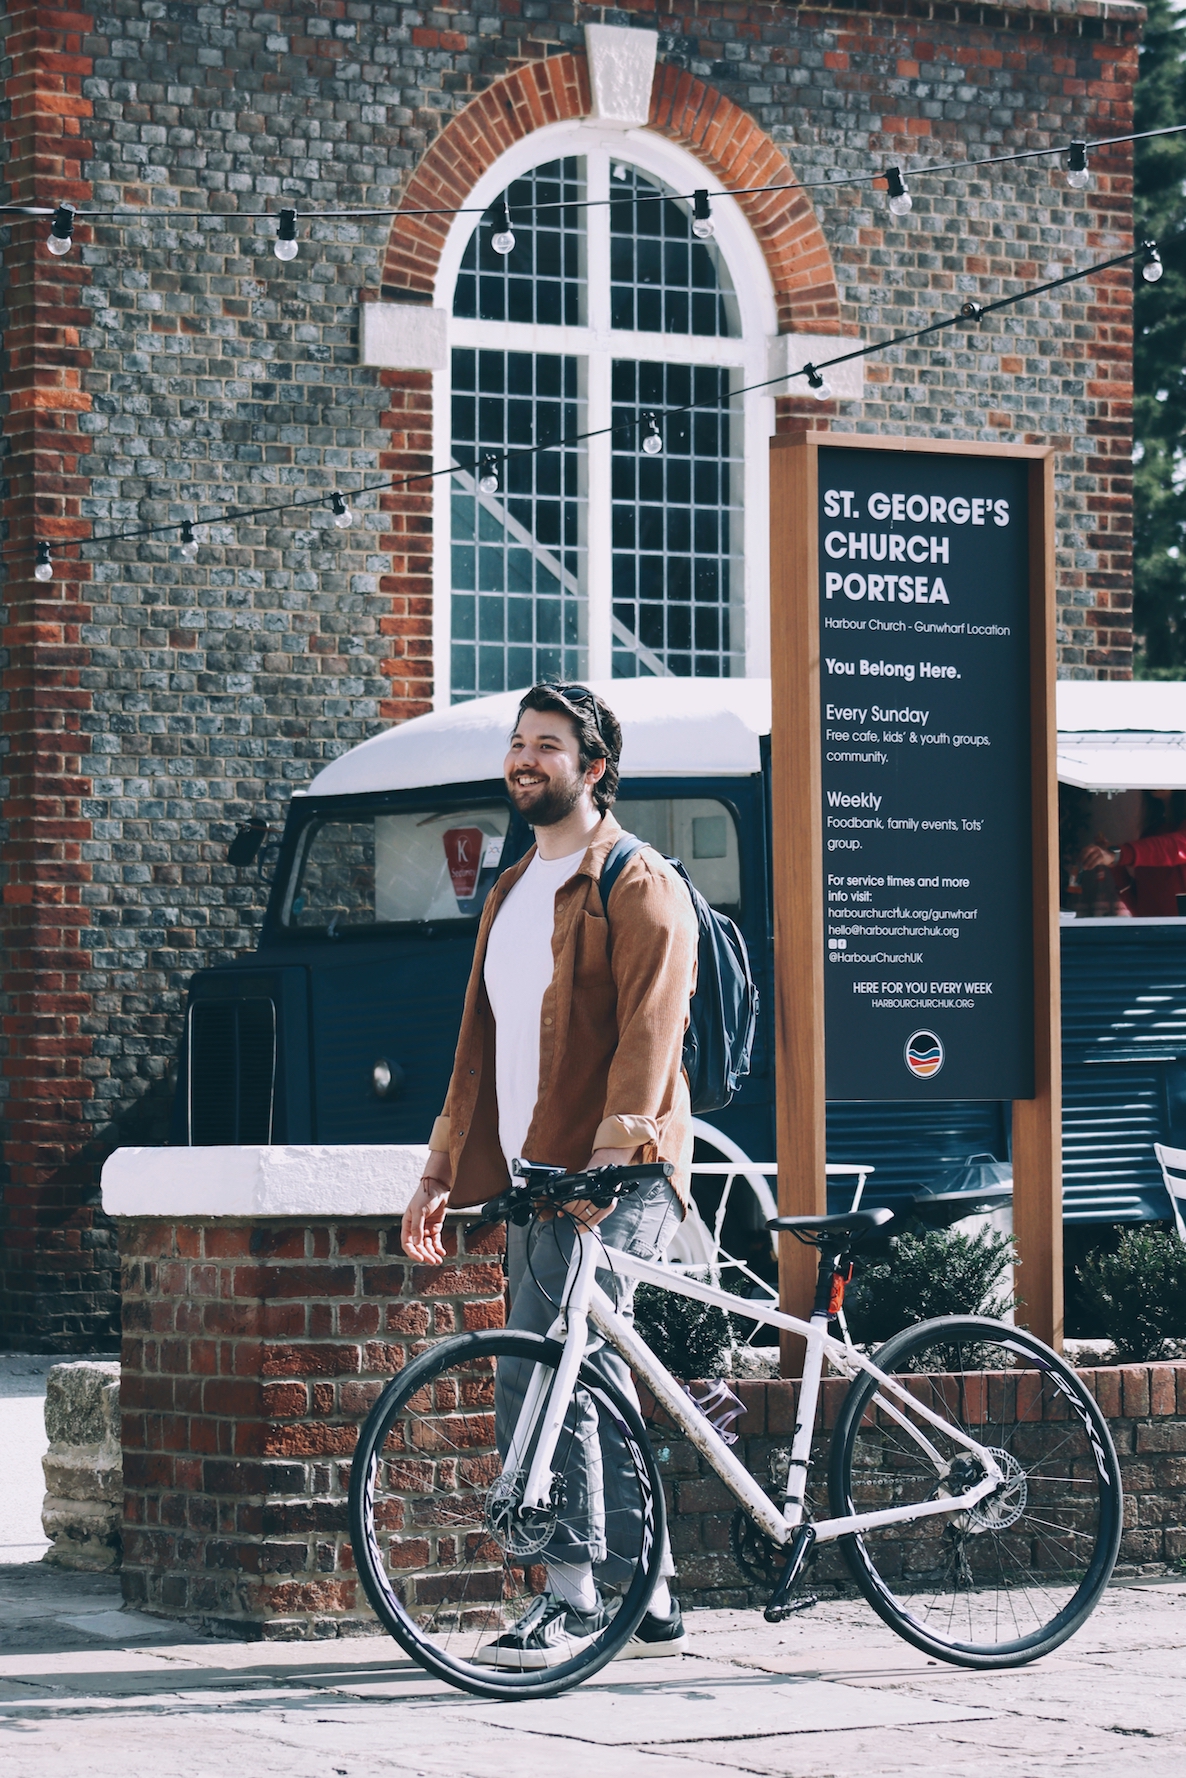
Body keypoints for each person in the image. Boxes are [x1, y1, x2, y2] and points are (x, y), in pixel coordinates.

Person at [401, 682, 699, 1670]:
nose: (524, 758)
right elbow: (475, 1044)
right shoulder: (514, 887)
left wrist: (609, 1160)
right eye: (517, 743)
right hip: (535, 1174)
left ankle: (570, 1597)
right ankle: (648, 1595)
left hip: (619, 1176)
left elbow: (651, 1034)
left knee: (548, 1375)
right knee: (585, 1373)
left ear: (594, 765)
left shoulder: (637, 879)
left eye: (548, 744)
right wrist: (443, 1165)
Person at [1081, 789, 1186, 917]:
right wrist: (1114, 863)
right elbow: (1140, 909)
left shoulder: (1162, 838)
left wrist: (1117, 855)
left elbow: (1175, 847)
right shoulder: (1152, 832)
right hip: (1155, 935)